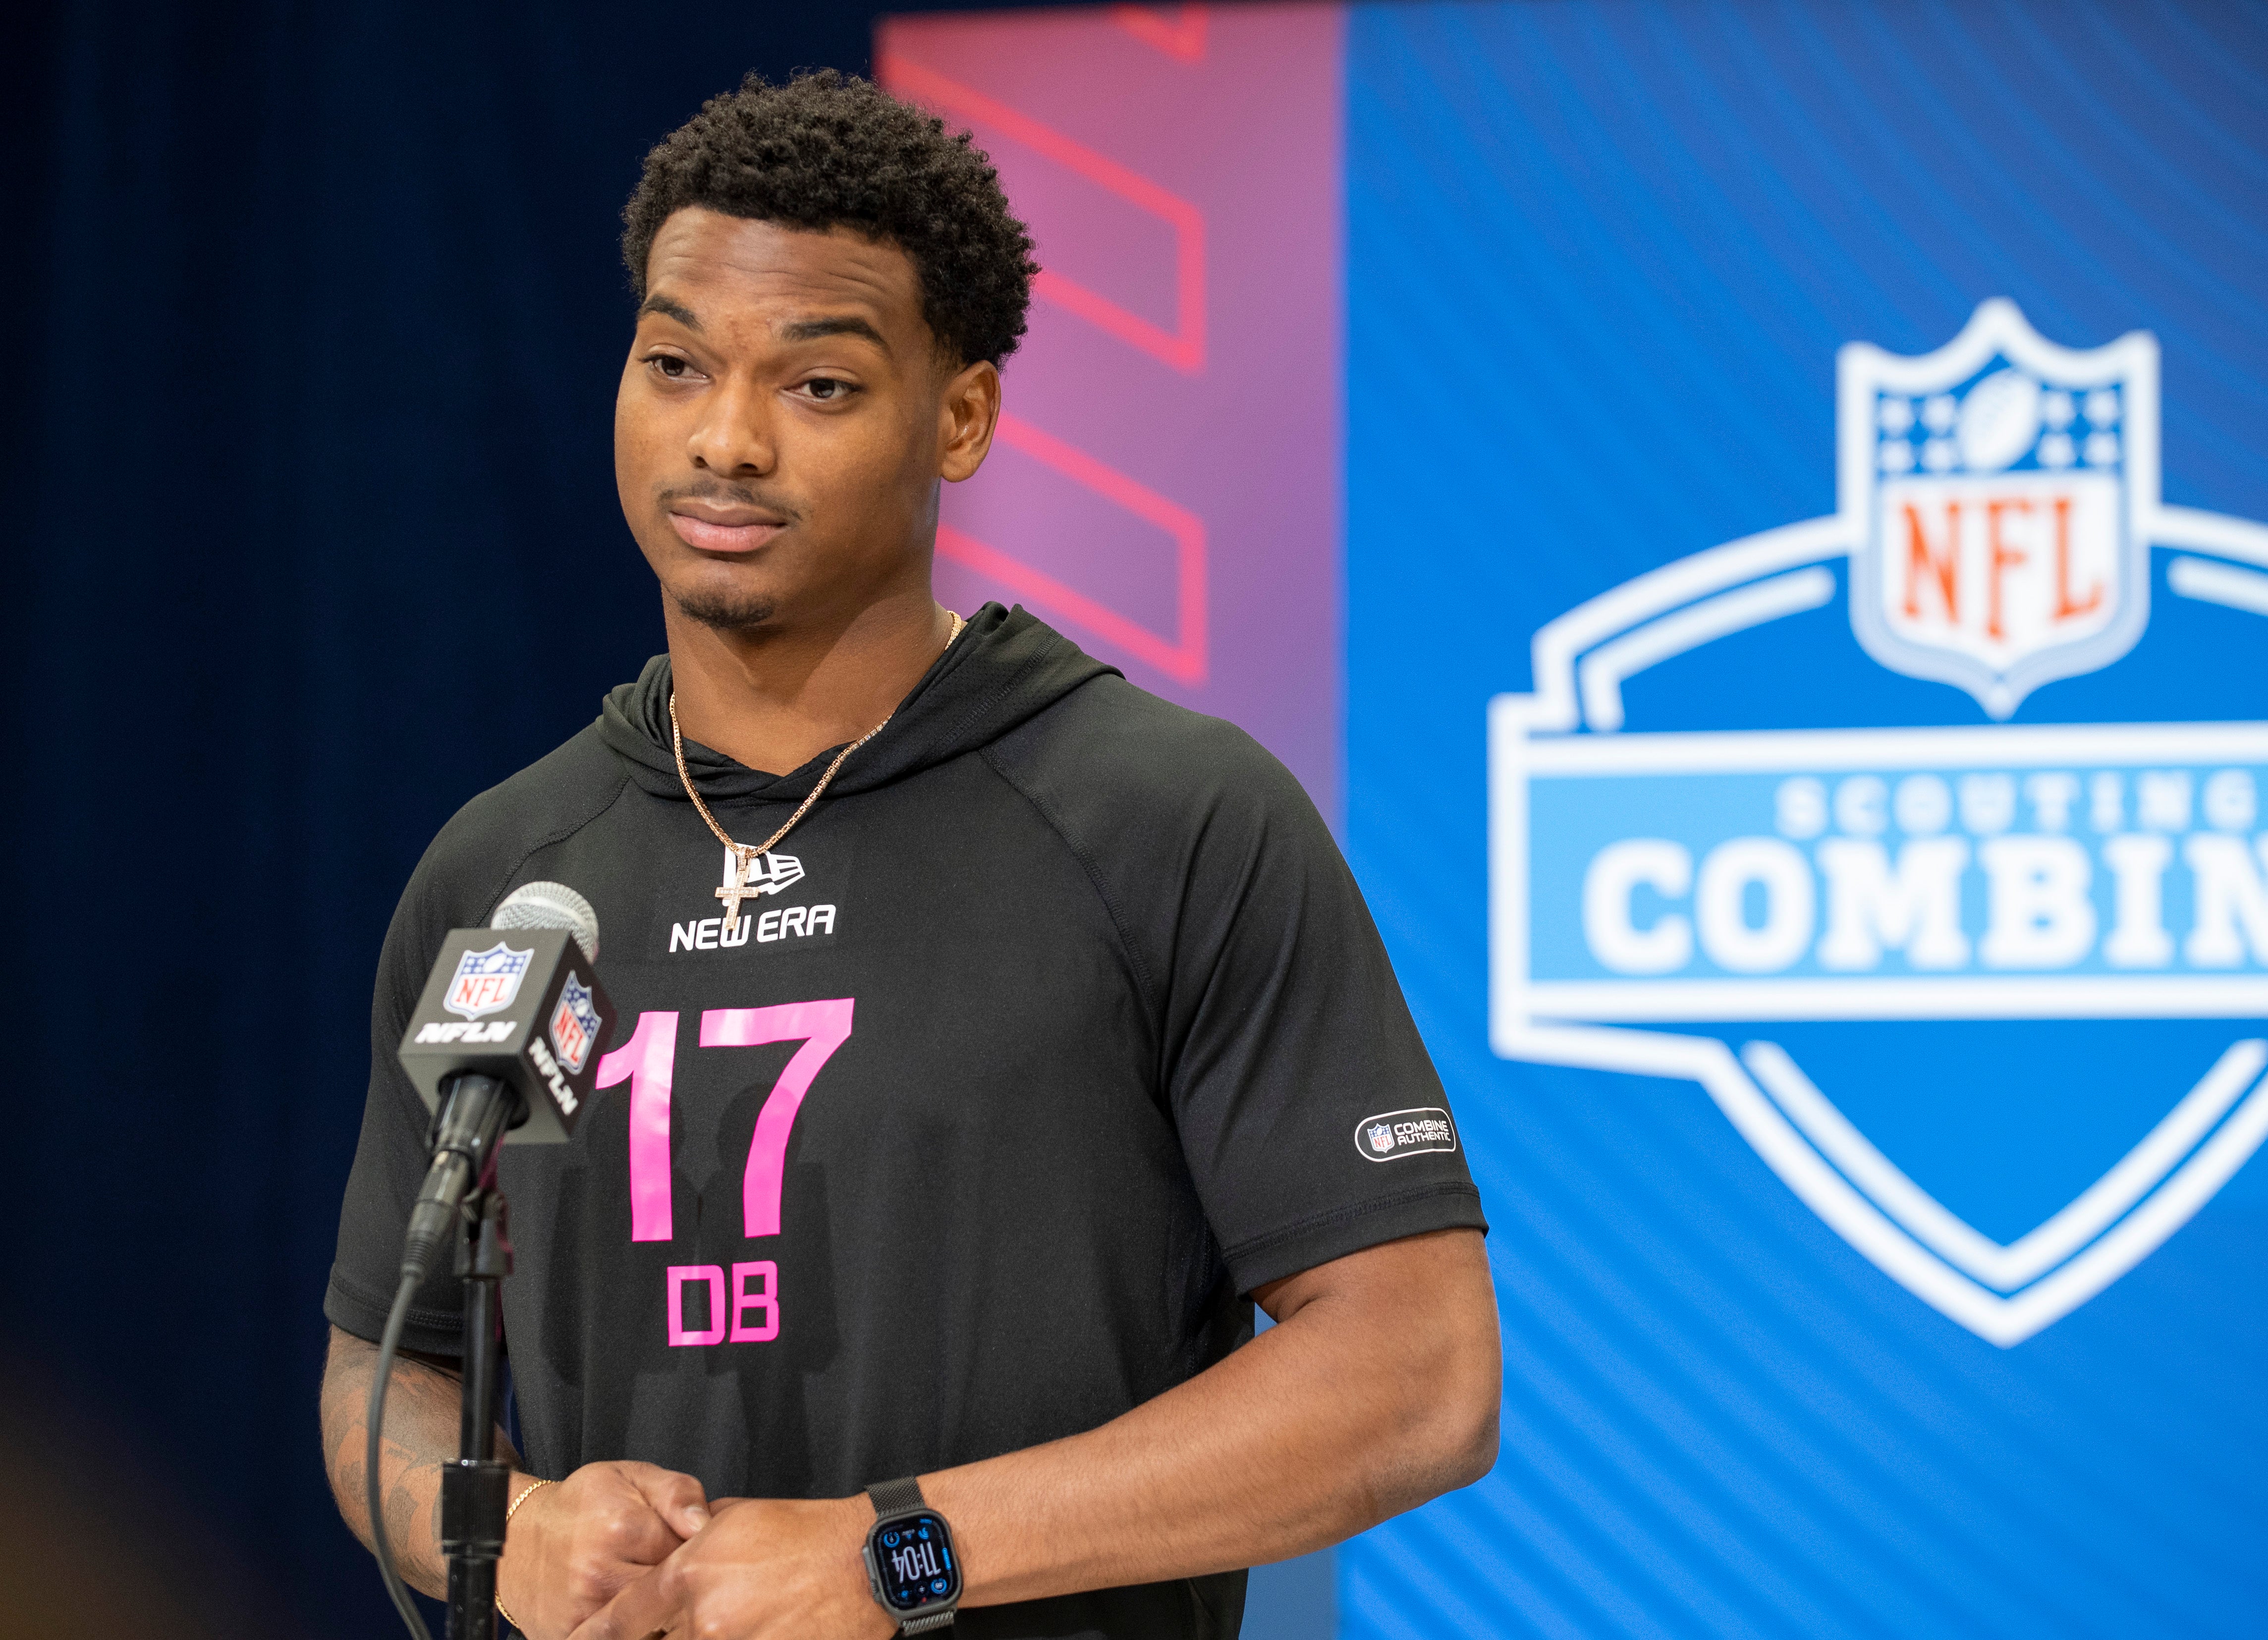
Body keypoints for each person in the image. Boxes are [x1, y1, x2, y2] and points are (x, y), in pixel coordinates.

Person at [319, 69, 1498, 1640]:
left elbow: (1414, 1381)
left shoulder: (1167, 817)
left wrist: (899, 1556)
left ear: (961, 414)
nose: (723, 441)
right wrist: (514, 1531)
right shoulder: (509, 869)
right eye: (674, 364)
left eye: (816, 386)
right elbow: (386, 1367)